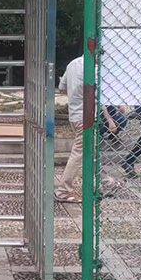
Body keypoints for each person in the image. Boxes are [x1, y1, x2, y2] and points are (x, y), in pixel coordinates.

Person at [55, 55, 123, 203]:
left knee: (90, 151)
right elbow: (97, 98)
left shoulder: (72, 63)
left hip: (74, 115)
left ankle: (107, 182)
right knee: (79, 154)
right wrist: (109, 119)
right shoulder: (94, 68)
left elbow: (62, 87)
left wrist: (76, 96)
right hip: (87, 117)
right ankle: (63, 191)